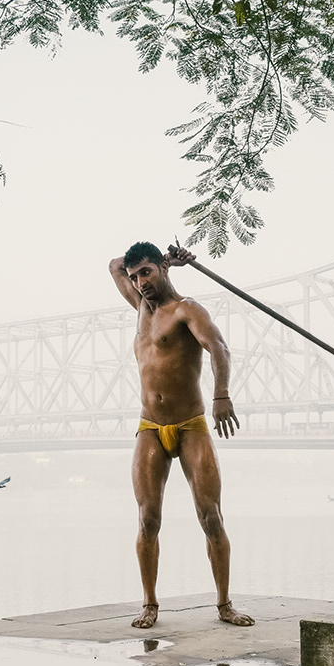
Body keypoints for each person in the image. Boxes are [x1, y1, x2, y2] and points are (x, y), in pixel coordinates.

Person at [109, 242, 253, 628]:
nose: (140, 282)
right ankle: (150, 604)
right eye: (136, 275)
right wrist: (165, 261)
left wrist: (221, 394)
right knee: (148, 519)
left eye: (147, 273)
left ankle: (224, 605)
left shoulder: (187, 309)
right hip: (150, 427)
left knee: (211, 518)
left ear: (162, 271)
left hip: (191, 425)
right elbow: (113, 266)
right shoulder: (140, 306)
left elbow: (219, 348)